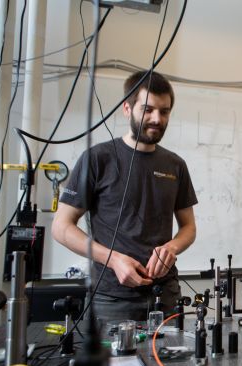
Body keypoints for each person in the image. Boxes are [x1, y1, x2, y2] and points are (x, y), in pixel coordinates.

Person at [52, 71, 198, 322]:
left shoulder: (176, 165)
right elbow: (61, 227)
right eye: (148, 109)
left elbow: (189, 227)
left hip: (165, 296)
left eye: (164, 111)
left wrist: (171, 248)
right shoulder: (97, 159)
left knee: (172, 362)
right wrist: (113, 260)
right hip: (111, 299)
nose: (157, 119)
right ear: (127, 109)